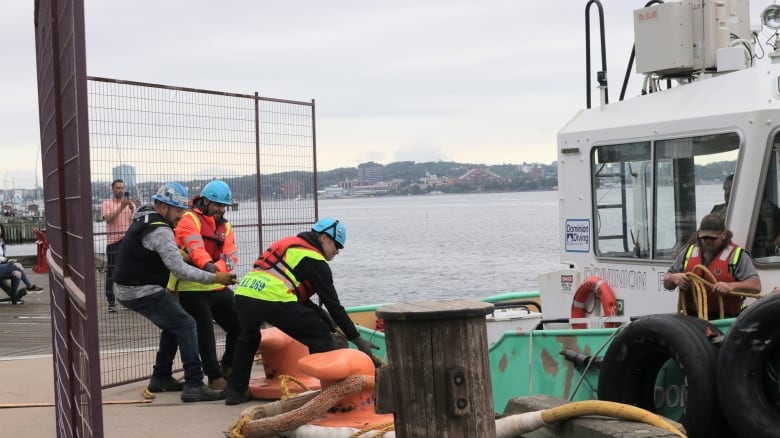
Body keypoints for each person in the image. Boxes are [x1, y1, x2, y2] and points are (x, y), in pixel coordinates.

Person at [224, 217, 376, 405]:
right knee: (320, 336)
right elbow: (334, 305)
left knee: (248, 338)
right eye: (336, 246)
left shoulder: (290, 245)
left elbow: (290, 291)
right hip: (271, 299)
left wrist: (322, 315)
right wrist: (357, 338)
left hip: (244, 296)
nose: (337, 252)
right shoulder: (315, 259)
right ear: (324, 238)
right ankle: (330, 398)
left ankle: (235, 392)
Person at [113, 182, 238, 403]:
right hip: (140, 289)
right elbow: (178, 269)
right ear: (163, 208)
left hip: (129, 286)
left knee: (172, 325)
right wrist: (215, 277)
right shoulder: (161, 229)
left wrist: (178, 252)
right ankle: (194, 384)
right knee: (186, 323)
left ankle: (161, 377)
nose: (182, 215)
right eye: (178, 211)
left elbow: (157, 250)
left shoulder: (145, 216)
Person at [168, 180, 240, 391]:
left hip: (215, 286)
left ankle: (228, 366)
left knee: (240, 323)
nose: (221, 209)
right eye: (217, 204)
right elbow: (195, 248)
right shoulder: (188, 220)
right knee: (204, 330)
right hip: (190, 286)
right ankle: (214, 376)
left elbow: (230, 255)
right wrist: (210, 269)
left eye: (224, 206)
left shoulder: (225, 226)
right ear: (205, 201)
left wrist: (216, 273)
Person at [663, 213, 761, 319]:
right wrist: (674, 278)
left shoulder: (737, 256)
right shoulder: (688, 252)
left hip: (726, 319)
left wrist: (731, 286)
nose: (708, 241)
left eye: (712, 238)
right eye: (704, 238)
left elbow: (756, 286)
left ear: (723, 235)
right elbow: (667, 283)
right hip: (692, 318)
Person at [101, 179, 135, 312]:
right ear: (112, 189)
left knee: (128, 272)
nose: (120, 190)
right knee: (112, 272)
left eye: (122, 187)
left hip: (127, 241)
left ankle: (126, 300)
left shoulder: (129, 203)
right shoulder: (106, 204)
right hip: (113, 242)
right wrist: (122, 207)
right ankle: (111, 302)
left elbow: (135, 220)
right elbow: (109, 219)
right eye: (117, 188)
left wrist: (132, 208)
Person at [0, 223, 44, 304]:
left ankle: (14, 298)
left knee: (17, 273)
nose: (0, 231)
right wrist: (6, 260)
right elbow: (2, 258)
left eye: (0, 229)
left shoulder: (1, 242)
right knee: (15, 266)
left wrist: (9, 261)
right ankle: (30, 286)